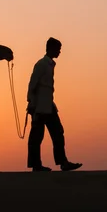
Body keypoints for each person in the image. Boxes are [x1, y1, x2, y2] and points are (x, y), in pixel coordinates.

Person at [26, 37, 82, 172]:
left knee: (58, 133)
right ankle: (36, 165)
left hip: (48, 106)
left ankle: (63, 162)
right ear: (51, 49)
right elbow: (32, 85)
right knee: (36, 137)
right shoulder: (41, 65)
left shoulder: (49, 65)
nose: (59, 52)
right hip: (39, 108)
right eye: (58, 49)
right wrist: (32, 104)